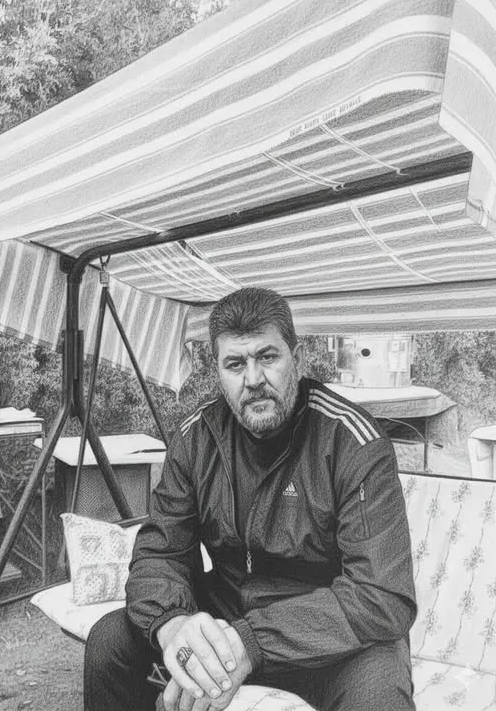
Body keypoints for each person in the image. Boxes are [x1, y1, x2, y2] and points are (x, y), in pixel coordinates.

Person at [84, 287, 417, 711]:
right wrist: (174, 624)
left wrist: (251, 641)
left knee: (380, 694)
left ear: (297, 357)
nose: (254, 379)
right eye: (235, 364)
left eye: (267, 356)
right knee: (110, 641)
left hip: (328, 639)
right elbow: (159, 554)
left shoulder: (353, 443)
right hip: (227, 617)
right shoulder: (196, 439)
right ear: (218, 371)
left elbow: (381, 594)